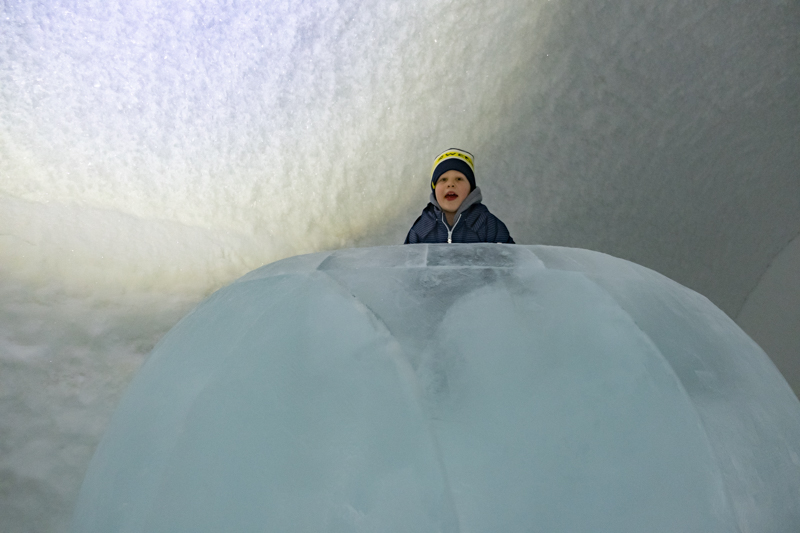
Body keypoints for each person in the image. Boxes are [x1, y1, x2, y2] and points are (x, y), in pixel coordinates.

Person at [404, 148, 515, 244]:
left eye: (459, 179)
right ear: (434, 188)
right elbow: (407, 264)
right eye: (443, 179)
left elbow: (511, 261)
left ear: (471, 189)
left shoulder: (487, 225)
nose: (451, 184)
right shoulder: (422, 228)